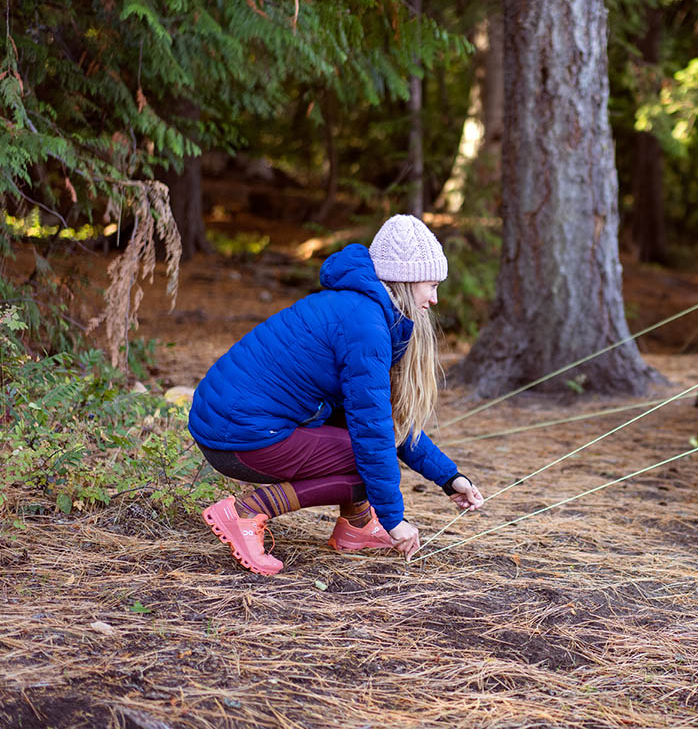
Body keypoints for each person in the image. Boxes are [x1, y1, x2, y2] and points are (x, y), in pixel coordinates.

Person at [187, 215, 484, 575]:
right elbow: (374, 435)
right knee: (367, 460)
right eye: (431, 285)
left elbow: (380, 421)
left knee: (366, 449)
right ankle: (246, 512)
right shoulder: (366, 326)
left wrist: (450, 478)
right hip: (240, 435)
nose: (435, 299)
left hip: (229, 425)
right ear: (405, 280)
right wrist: (394, 521)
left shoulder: (361, 309)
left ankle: (356, 526)